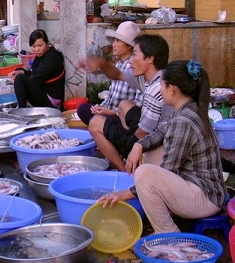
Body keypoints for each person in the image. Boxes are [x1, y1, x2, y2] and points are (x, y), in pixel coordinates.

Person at [98, 60, 227, 233]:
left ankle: (168, 235)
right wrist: (138, 145)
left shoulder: (184, 121)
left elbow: (169, 169)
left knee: (145, 173)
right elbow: (160, 133)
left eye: (161, 85)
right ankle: (165, 217)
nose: (160, 90)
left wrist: (124, 194)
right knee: (147, 154)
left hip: (206, 198)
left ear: (172, 89)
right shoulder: (187, 109)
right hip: (199, 188)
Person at [82, 34, 172, 171]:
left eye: (135, 55)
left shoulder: (156, 89)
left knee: (95, 123)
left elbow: (143, 134)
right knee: (124, 104)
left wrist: (118, 141)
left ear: (150, 58)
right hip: (153, 135)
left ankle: (127, 170)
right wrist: (101, 63)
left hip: (157, 148)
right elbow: (117, 74)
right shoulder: (152, 76)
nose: (131, 61)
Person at [77, 21, 142, 125]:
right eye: (113, 41)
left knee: (93, 118)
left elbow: (138, 105)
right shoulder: (118, 64)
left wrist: (111, 112)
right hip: (109, 112)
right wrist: (101, 107)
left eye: (118, 41)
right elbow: (111, 94)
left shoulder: (135, 66)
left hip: (123, 118)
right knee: (83, 109)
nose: (113, 45)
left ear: (129, 46)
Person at [8, 29, 65, 109]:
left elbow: (37, 80)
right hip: (44, 92)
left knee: (20, 79)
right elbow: (36, 73)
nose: (37, 49)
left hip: (51, 101)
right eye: (34, 46)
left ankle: (22, 110)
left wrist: (21, 80)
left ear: (47, 43)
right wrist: (23, 72)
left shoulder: (51, 58)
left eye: (40, 46)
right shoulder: (41, 55)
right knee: (19, 73)